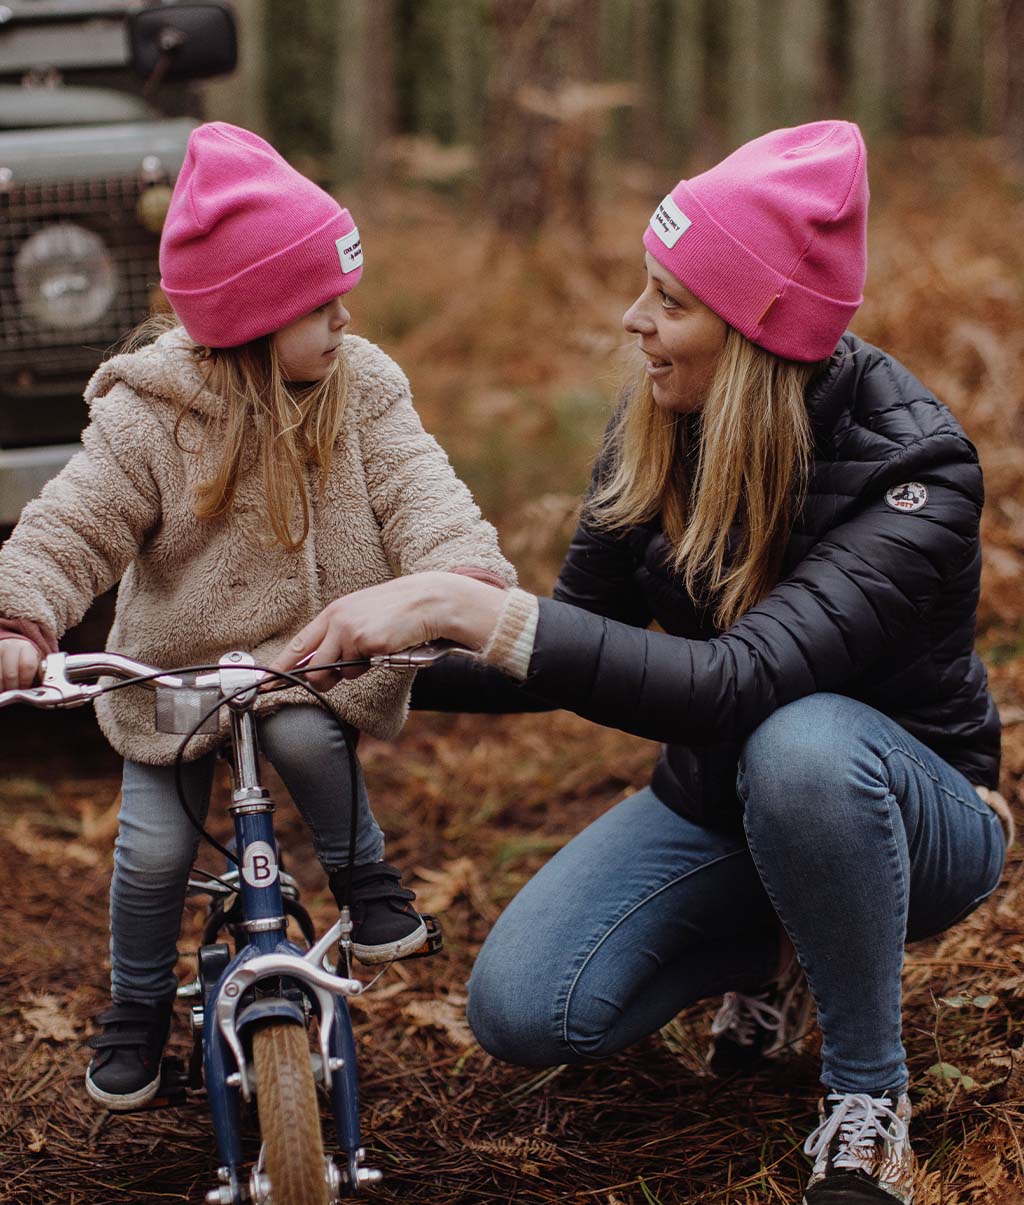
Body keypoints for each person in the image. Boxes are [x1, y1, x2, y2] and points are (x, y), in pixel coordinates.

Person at [269, 121, 1009, 1205]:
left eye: (667, 299)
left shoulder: (914, 473)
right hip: (719, 803)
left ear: (753, 328)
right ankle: (791, 942)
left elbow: (736, 682)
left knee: (798, 739)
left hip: (918, 811)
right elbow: (574, 638)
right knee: (527, 1008)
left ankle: (867, 1105)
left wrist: (463, 603)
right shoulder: (662, 421)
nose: (634, 320)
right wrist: (360, 656)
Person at [0, 122, 515, 1111]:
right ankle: (140, 1008)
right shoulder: (148, 417)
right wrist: (23, 618)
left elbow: (420, 487)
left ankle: (368, 891)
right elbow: (73, 523)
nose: (343, 315)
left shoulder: (358, 388)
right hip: (172, 676)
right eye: (318, 303)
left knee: (309, 740)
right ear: (249, 315)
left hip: (304, 655)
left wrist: (459, 571)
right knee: (151, 852)